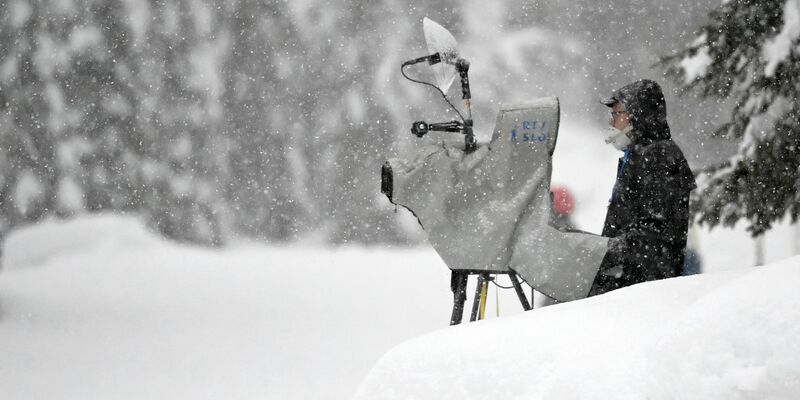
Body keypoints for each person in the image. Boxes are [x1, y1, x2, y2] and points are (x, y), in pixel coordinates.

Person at [588, 79, 697, 296]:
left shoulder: (658, 157)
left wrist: (610, 252)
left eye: (617, 114)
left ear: (638, 115)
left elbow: (655, 231)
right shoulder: (638, 156)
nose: (612, 123)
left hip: (646, 290)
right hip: (629, 283)